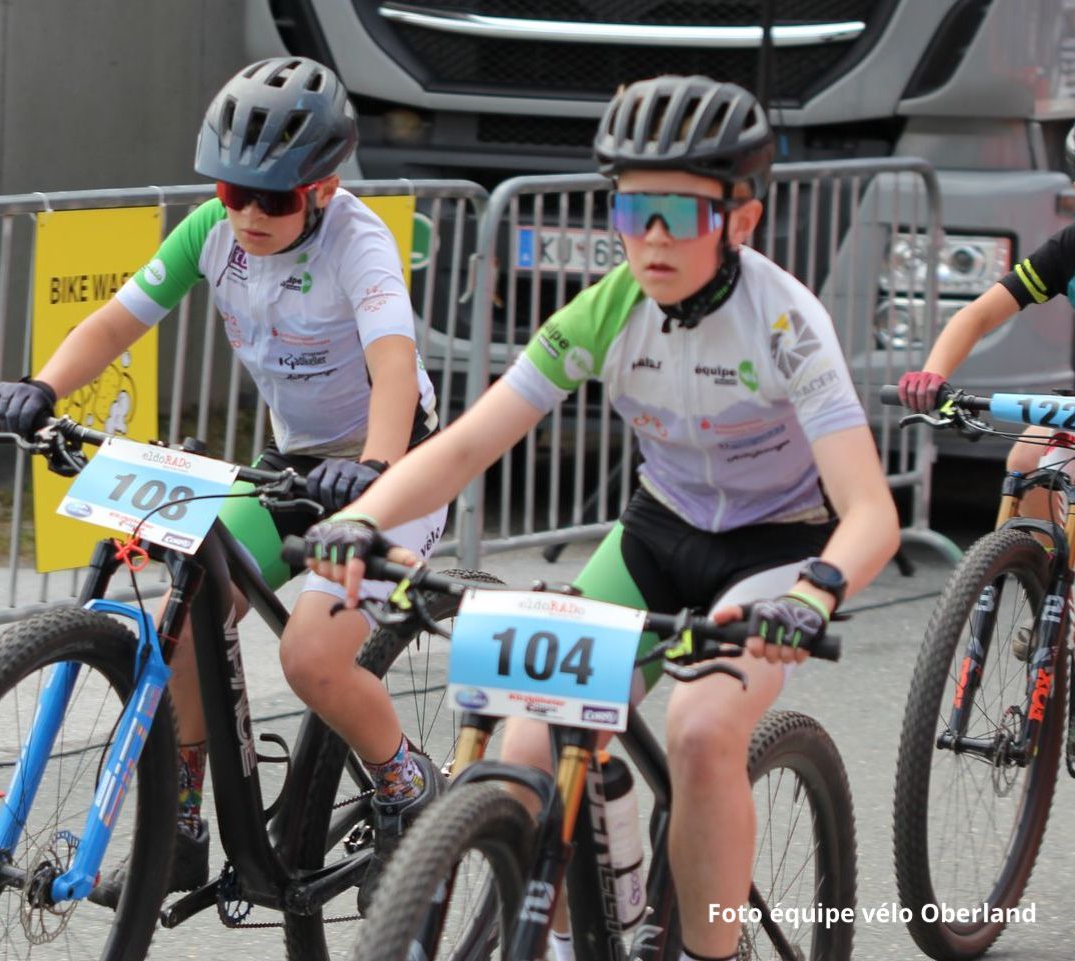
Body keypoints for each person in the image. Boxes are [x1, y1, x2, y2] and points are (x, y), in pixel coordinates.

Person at [302, 75, 900, 961]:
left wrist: (814, 595)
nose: (651, 237)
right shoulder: (609, 303)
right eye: (631, 208)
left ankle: (711, 951)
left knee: (701, 733)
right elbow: (468, 445)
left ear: (741, 220)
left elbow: (871, 514)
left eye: (680, 213)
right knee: (531, 740)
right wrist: (366, 516)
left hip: (777, 555)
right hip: (658, 535)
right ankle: (594, 928)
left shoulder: (785, 323)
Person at [0, 56, 446, 910]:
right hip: (293, 467)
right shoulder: (211, 232)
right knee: (192, 606)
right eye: (235, 192)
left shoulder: (359, 240)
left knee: (311, 655)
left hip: (394, 468)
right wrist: (43, 387)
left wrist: (377, 470)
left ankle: (405, 783)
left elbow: (392, 362)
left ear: (324, 187)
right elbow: (119, 319)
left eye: (274, 198)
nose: (250, 213)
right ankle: (184, 824)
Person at [899, 120, 1075, 522]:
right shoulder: (1069, 247)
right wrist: (932, 375)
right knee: (1027, 460)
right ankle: (1031, 573)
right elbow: (977, 315)